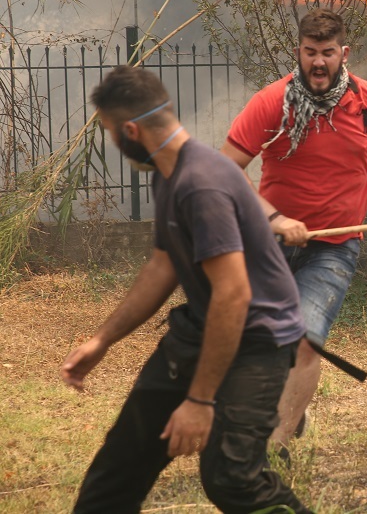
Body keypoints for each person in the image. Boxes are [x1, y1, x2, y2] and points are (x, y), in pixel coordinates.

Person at [61, 65, 313, 514]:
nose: (116, 144)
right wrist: (103, 340)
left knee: (231, 478)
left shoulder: (202, 184)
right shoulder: (168, 172)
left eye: (112, 133)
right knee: (118, 471)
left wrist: (198, 401)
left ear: (132, 130)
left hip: (258, 341)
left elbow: (233, 296)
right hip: (200, 330)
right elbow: (163, 266)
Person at [221, 7, 367, 446]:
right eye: (310, 52)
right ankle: (282, 414)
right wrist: (274, 218)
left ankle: (273, 446)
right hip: (267, 243)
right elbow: (227, 168)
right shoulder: (272, 102)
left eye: (327, 53)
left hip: (333, 248)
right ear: (299, 52)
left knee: (306, 341)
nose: (318, 62)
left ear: (343, 53)